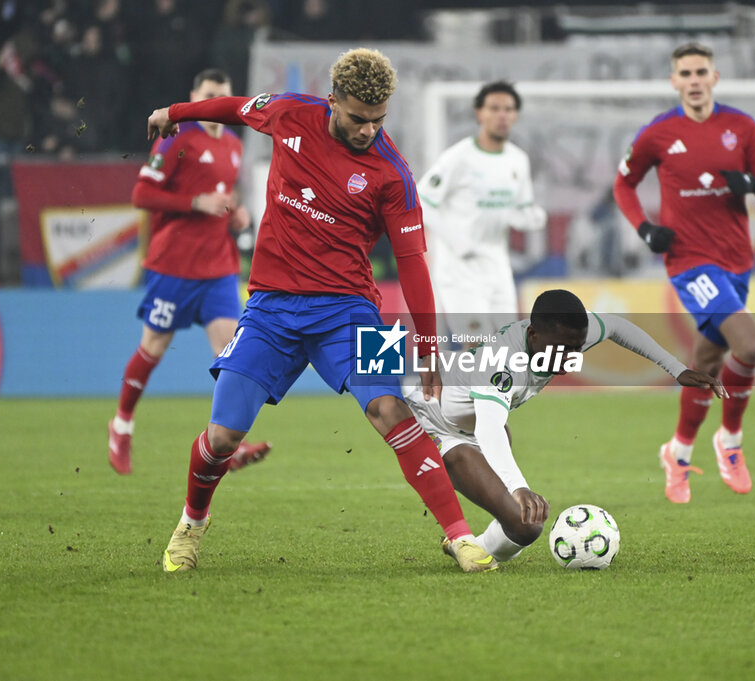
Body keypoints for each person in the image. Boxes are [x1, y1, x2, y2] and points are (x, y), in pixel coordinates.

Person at [145, 48, 497, 573]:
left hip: (352, 310)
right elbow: (235, 107)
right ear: (332, 101)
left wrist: (428, 348)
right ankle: (192, 523)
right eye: (358, 118)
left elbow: (414, 266)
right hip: (269, 307)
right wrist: (174, 113)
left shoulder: (393, 175)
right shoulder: (289, 113)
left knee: (391, 411)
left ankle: (460, 536)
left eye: (379, 120)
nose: (368, 131)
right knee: (222, 437)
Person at [403, 289, 726, 562]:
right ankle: (467, 539)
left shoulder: (565, 335)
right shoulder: (503, 363)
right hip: (432, 419)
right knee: (524, 520)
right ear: (533, 335)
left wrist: (676, 369)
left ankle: (472, 546)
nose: (571, 356)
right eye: (564, 348)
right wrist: (517, 486)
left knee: (523, 528)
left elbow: (616, 326)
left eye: (577, 347)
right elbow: (488, 430)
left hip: (470, 426)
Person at [613, 42, 755, 504]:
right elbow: (623, 183)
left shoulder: (741, 127)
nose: (693, 80)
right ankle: (730, 441)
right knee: (749, 343)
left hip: (737, 261)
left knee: (708, 364)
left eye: (701, 72)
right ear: (674, 81)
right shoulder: (658, 134)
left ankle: (678, 451)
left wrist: (750, 183)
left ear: (714, 77)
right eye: (685, 73)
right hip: (690, 261)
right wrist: (645, 228)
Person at [109, 68, 271, 476]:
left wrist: (235, 213)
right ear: (195, 96)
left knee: (231, 356)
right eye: (210, 95)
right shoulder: (178, 136)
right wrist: (195, 202)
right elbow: (141, 194)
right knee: (154, 348)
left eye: (223, 96)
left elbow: (222, 196)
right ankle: (122, 424)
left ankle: (227, 444)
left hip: (217, 267)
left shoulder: (233, 144)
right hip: (174, 266)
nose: (217, 104)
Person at [416, 81, 547, 345]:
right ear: (479, 113)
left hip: (497, 265)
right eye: (494, 108)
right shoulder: (459, 157)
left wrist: (531, 217)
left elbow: (520, 209)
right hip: (460, 268)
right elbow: (420, 200)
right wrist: (455, 239)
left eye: (508, 109)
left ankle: (493, 387)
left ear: (515, 115)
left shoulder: (518, 160)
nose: (502, 115)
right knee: (476, 344)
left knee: (510, 344)